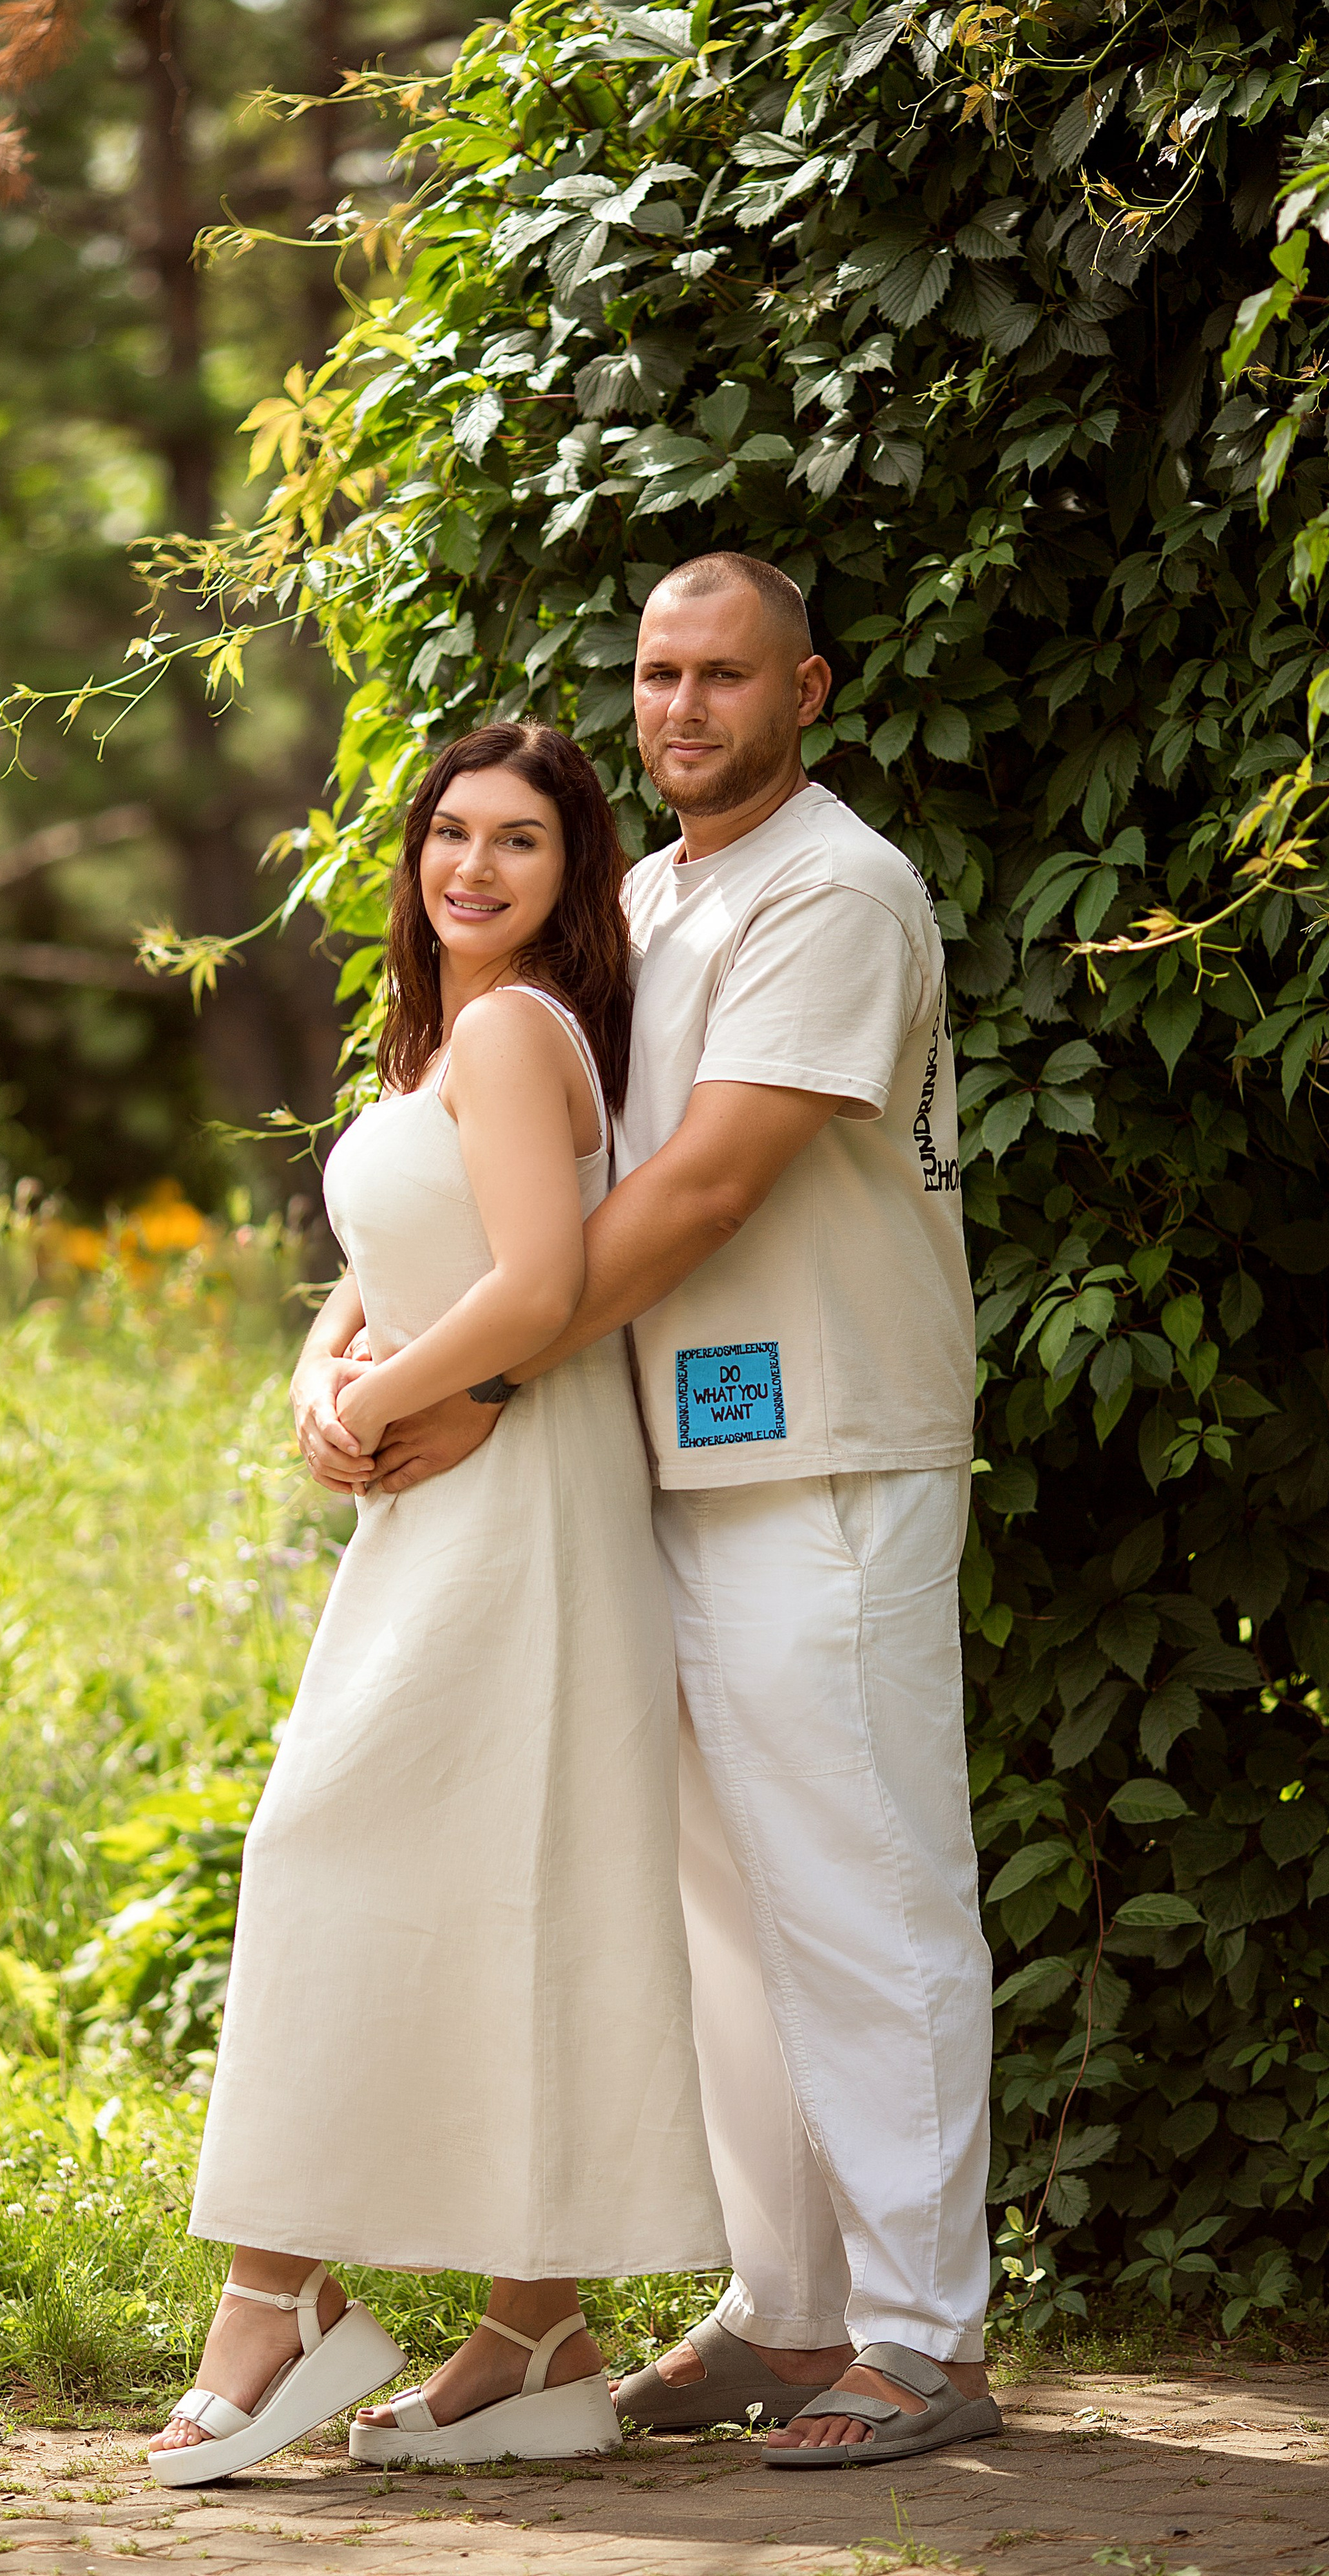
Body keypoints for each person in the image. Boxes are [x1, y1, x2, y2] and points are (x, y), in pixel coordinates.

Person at [296, 554, 997, 2470]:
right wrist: (354, 1344)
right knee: (727, 1919)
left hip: (820, 1452)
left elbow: (700, 1191)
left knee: (864, 1888)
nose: (682, 707)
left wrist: (482, 1375)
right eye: (658, 672)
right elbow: (493, 1172)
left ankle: (924, 2336)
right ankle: (789, 2311)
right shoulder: (642, 900)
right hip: (652, 1457)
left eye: (724, 674)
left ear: (807, 691)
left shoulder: (834, 889)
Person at [150, 720, 726, 2490]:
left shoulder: (513, 1027)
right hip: (454, 1497)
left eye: (519, 841)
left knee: (328, 1845)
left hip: (521, 1497)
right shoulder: (438, 1037)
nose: (473, 866)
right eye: (450, 832)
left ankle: (278, 2298)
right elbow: (401, 1265)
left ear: (573, 875)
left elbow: (541, 1284)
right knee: (502, 1882)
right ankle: (534, 2336)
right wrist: (320, 1375)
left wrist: (388, 1400)